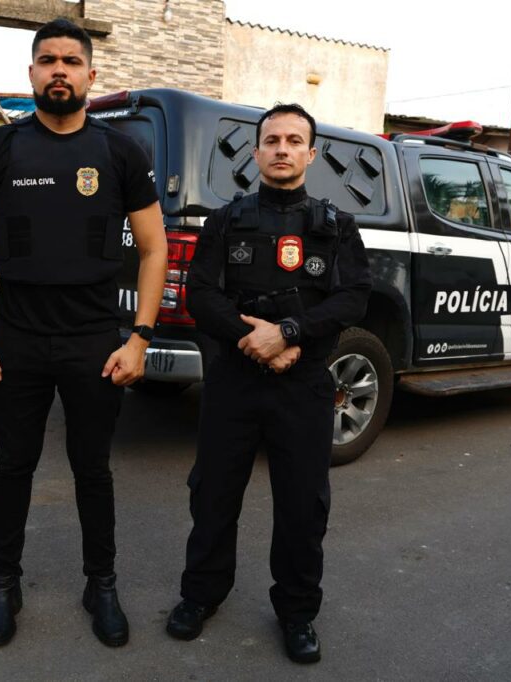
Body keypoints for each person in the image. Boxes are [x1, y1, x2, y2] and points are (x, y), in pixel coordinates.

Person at [0, 18, 167, 649]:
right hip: (16, 337)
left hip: (94, 339)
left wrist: (140, 338)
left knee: (92, 469)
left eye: (71, 61)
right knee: (13, 466)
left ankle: (101, 585)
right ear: (31, 72)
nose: (59, 71)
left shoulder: (120, 153)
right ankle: (4, 585)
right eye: (48, 60)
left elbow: (154, 248)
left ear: (90, 75)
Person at [165, 103, 371, 663]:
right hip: (234, 381)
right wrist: (253, 339)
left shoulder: (336, 226)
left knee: (304, 506)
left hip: (303, 384)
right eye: (272, 140)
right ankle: (200, 595)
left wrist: (289, 335)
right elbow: (200, 294)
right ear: (256, 153)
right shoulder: (225, 221)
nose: (282, 149)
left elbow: (354, 298)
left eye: (294, 140)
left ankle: (297, 613)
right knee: (213, 494)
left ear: (312, 153)